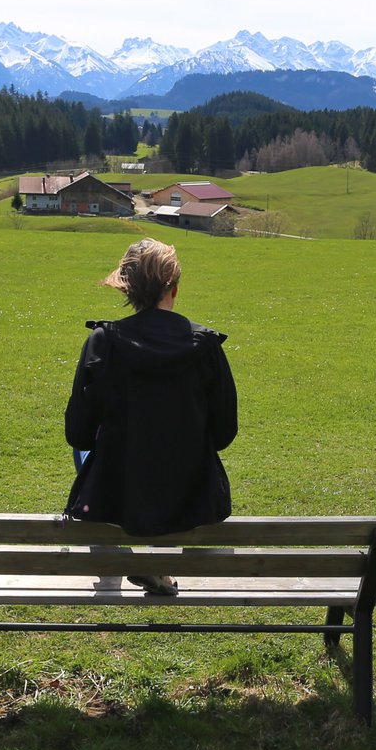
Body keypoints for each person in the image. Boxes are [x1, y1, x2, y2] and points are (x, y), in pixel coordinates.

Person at [63, 238, 238, 595]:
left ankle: (119, 555)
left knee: (89, 453)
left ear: (127, 289)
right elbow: (223, 433)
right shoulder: (205, 347)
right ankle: (158, 563)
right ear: (174, 287)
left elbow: (78, 433)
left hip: (117, 490)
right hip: (190, 492)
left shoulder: (103, 342)